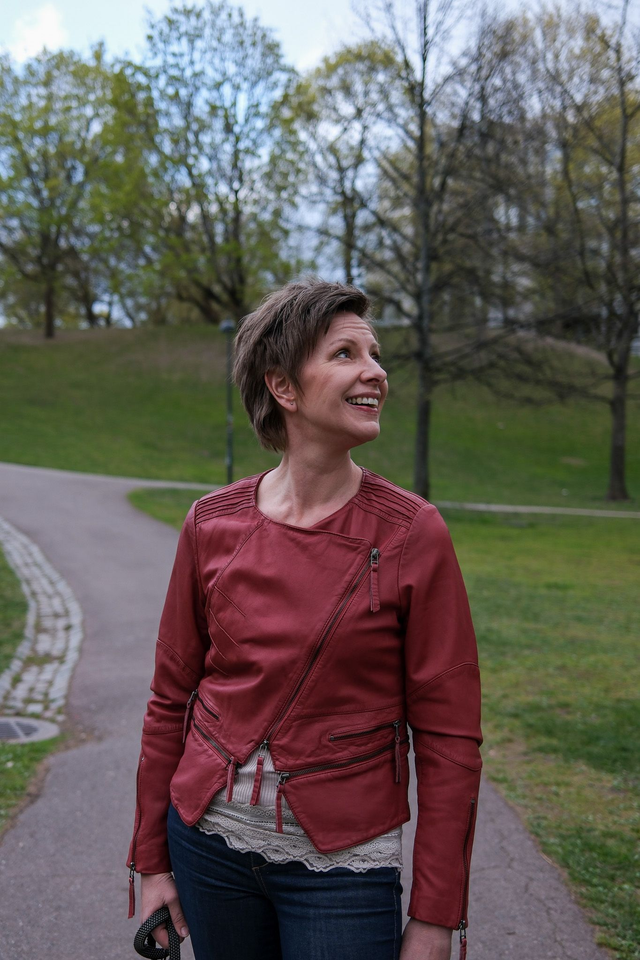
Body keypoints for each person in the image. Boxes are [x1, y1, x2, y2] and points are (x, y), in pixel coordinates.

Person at [127, 278, 483, 960]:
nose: (375, 371)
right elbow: (169, 701)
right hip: (207, 848)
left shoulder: (413, 532)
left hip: (343, 871)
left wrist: (437, 917)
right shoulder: (210, 523)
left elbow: (450, 738)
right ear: (284, 387)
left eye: (375, 354)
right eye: (345, 353)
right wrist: (151, 863)